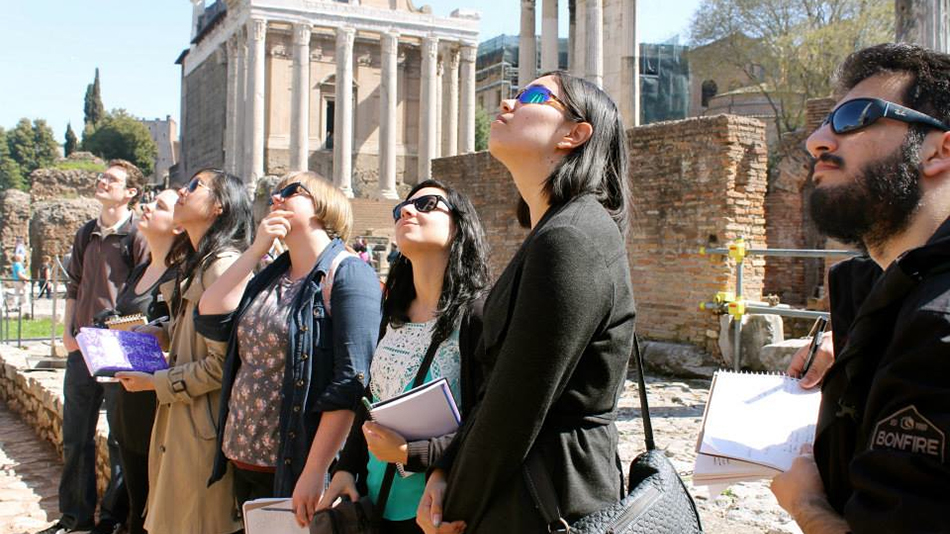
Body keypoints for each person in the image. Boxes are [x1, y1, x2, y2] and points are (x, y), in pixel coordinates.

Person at [416, 72, 637, 533]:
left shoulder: (572, 237)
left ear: (575, 135)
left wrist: (455, 508)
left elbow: (515, 407)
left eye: (534, 95)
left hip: (547, 504)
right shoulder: (554, 232)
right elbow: (496, 392)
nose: (509, 101)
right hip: (524, 493)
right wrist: (443, 471)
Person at [770, 43, 950, 533]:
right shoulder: (887, 295)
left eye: (854, 117)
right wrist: (864, 349)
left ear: (940, 150)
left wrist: (806, 506)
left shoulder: (938, 329)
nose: (816, 141)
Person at [196, 171, 383, 527]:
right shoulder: (271, 275)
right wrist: (256, 249)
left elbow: (353, 380)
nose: (276, 198)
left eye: (290, 191)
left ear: (324, 205)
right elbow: (209, 314)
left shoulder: (348, 274)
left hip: (297, 466)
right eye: (274, 193)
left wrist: (315, 470)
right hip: (245, 460)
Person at [321, 180, 490, 533]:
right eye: (401, 209)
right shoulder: (393, 312)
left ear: (459, 225)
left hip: (434, 510)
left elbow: (488, 424)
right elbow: (372, 399)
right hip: (373, 503)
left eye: (427, 204)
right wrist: (345, 468)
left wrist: (411, 454)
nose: (408, 211)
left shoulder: (477, 315)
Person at [115, 169, 253, 534]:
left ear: (219, 207)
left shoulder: (223, 265)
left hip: (200, 432)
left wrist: (154, 382)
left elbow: (221, 365)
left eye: (195, 186)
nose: (182, 190)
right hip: (182, 423)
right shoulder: (200, 262)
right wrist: (160, 332)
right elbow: (196, 331)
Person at [39, 160, 148, 534]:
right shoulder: (86, 232)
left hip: (118, 350)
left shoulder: (138, 235)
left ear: (131, 191)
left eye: (112, 179)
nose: (102, 181)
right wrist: (67, 331)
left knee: (120, 440)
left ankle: (115, 521)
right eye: (103, 176)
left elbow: (143, 296)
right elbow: (74, 283)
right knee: (75, 437)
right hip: (81, 349)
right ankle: (75, 517)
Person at [106, 189, 181, 534]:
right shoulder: (140, 270)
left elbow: (180, 343)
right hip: (126, 401)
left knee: (153, 511)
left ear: (177, 226)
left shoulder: (180, 277)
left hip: (156, 403)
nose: (146, 207)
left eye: (160, 205)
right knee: (136, 505)